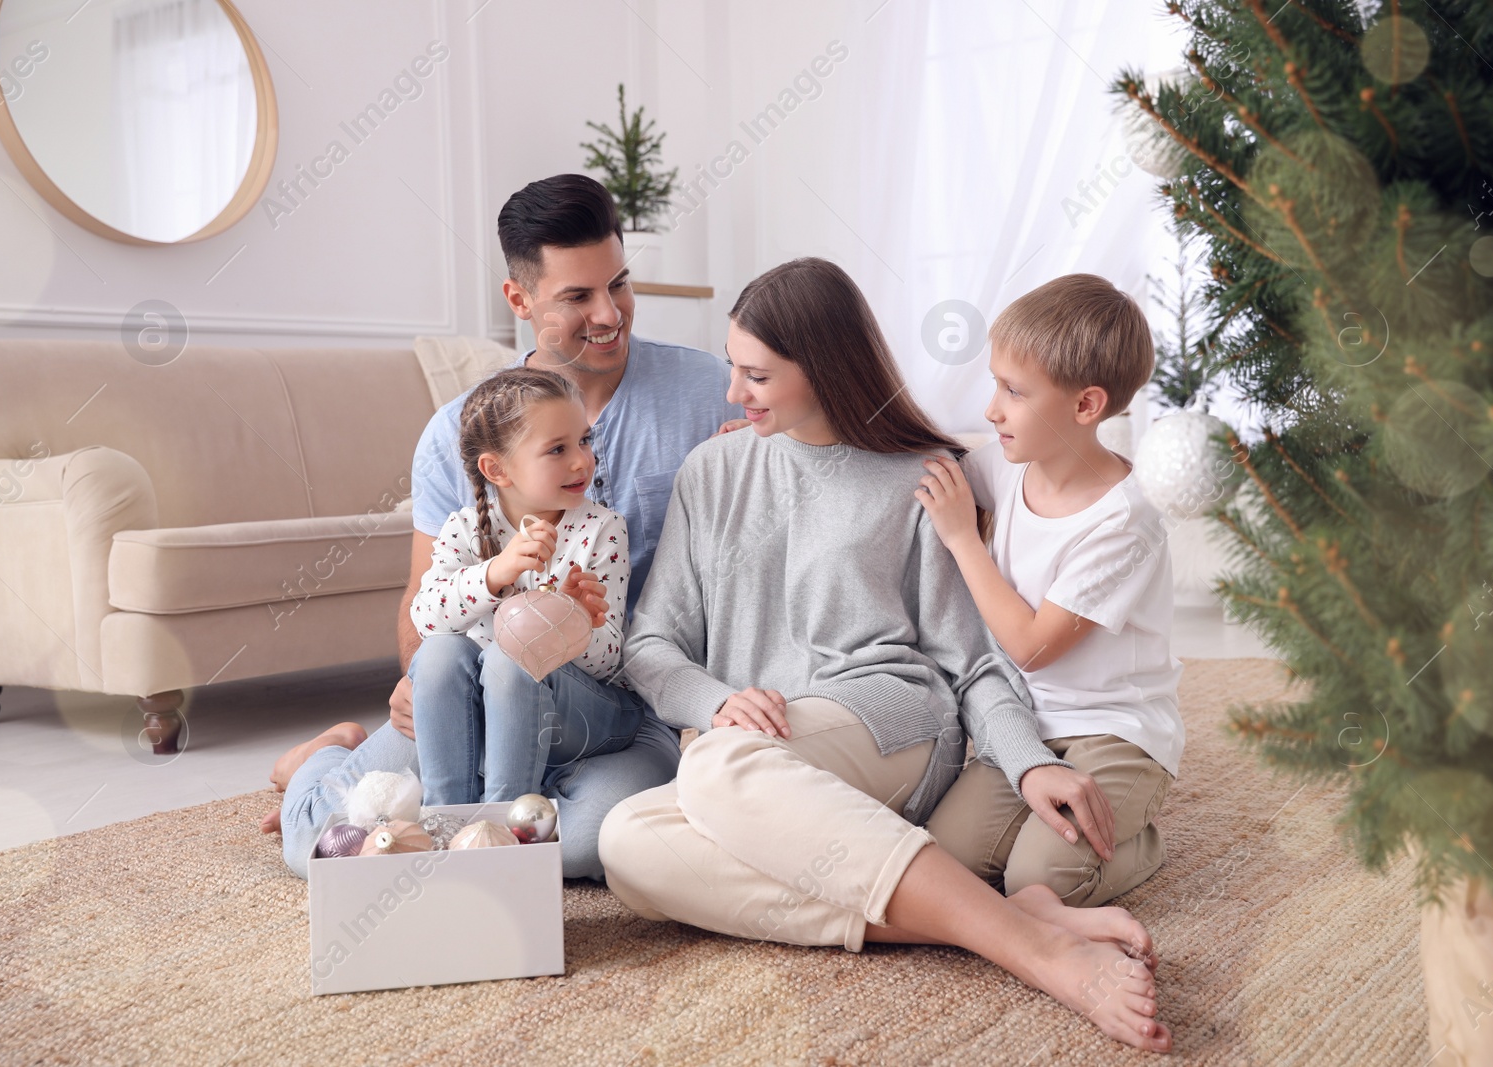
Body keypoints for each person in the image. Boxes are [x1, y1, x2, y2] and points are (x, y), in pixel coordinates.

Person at [598, 258, 1173, 1052]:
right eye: (733, 368)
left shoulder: (923, 476)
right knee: (628, 845)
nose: (734, 393)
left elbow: (974, 663)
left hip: (893, 715)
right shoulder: (712, 470)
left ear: (824, 366)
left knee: (714, 769)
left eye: (758, 374)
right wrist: (711, 700)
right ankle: (979, 924)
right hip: (754, 742)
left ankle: (1033, 951)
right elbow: (651, 642)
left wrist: (1026, 760)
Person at [263, 174, 742, 881]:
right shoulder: (458, 431)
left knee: (583, 849)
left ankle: (486, 819)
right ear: (518, 300)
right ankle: (323, 756)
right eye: (577, 297)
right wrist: (419, 681)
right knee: (330, 845)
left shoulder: (711, 392)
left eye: (619, 283)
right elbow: (423, 608)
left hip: (612, 713)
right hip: (480, 697)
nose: (609, 313)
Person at [918, 273, 1184, 907]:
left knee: (1037, 883)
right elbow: (919, 458)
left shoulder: (1126, 521)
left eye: (1013, 390)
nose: (991, 408)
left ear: (1086, 406)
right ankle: (1063, 823)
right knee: (946, 858)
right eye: (995, 382)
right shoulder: (1010, 465)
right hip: (1025, 727)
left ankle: (1137, 837)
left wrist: (964, 541)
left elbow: (1034, 647)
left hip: (1115, 733)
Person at [410, 367, 643, 806]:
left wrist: (574, 625)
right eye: (557, 449)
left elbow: (611, 662)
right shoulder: (462, 530)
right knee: (440, 652)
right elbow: (425, 620)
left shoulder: (602, 529)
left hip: (591, 713)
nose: (581, 461)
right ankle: (446, 818)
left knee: (512, 654)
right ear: (496, 469)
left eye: (585, 440)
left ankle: (503, 822)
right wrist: (493, 574)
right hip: (488, 713)